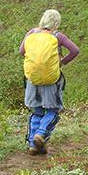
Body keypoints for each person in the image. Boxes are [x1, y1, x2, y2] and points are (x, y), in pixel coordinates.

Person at [20, 9, 79, 155]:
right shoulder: (57, 36)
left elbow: (22, 51)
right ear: (56, 23)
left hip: (33, 79)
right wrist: (61, 62)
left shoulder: (31, 33)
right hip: (51, 80)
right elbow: (75, 50)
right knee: (53, 110)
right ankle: (41, 134)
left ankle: (34, 144)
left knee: (37, 111)